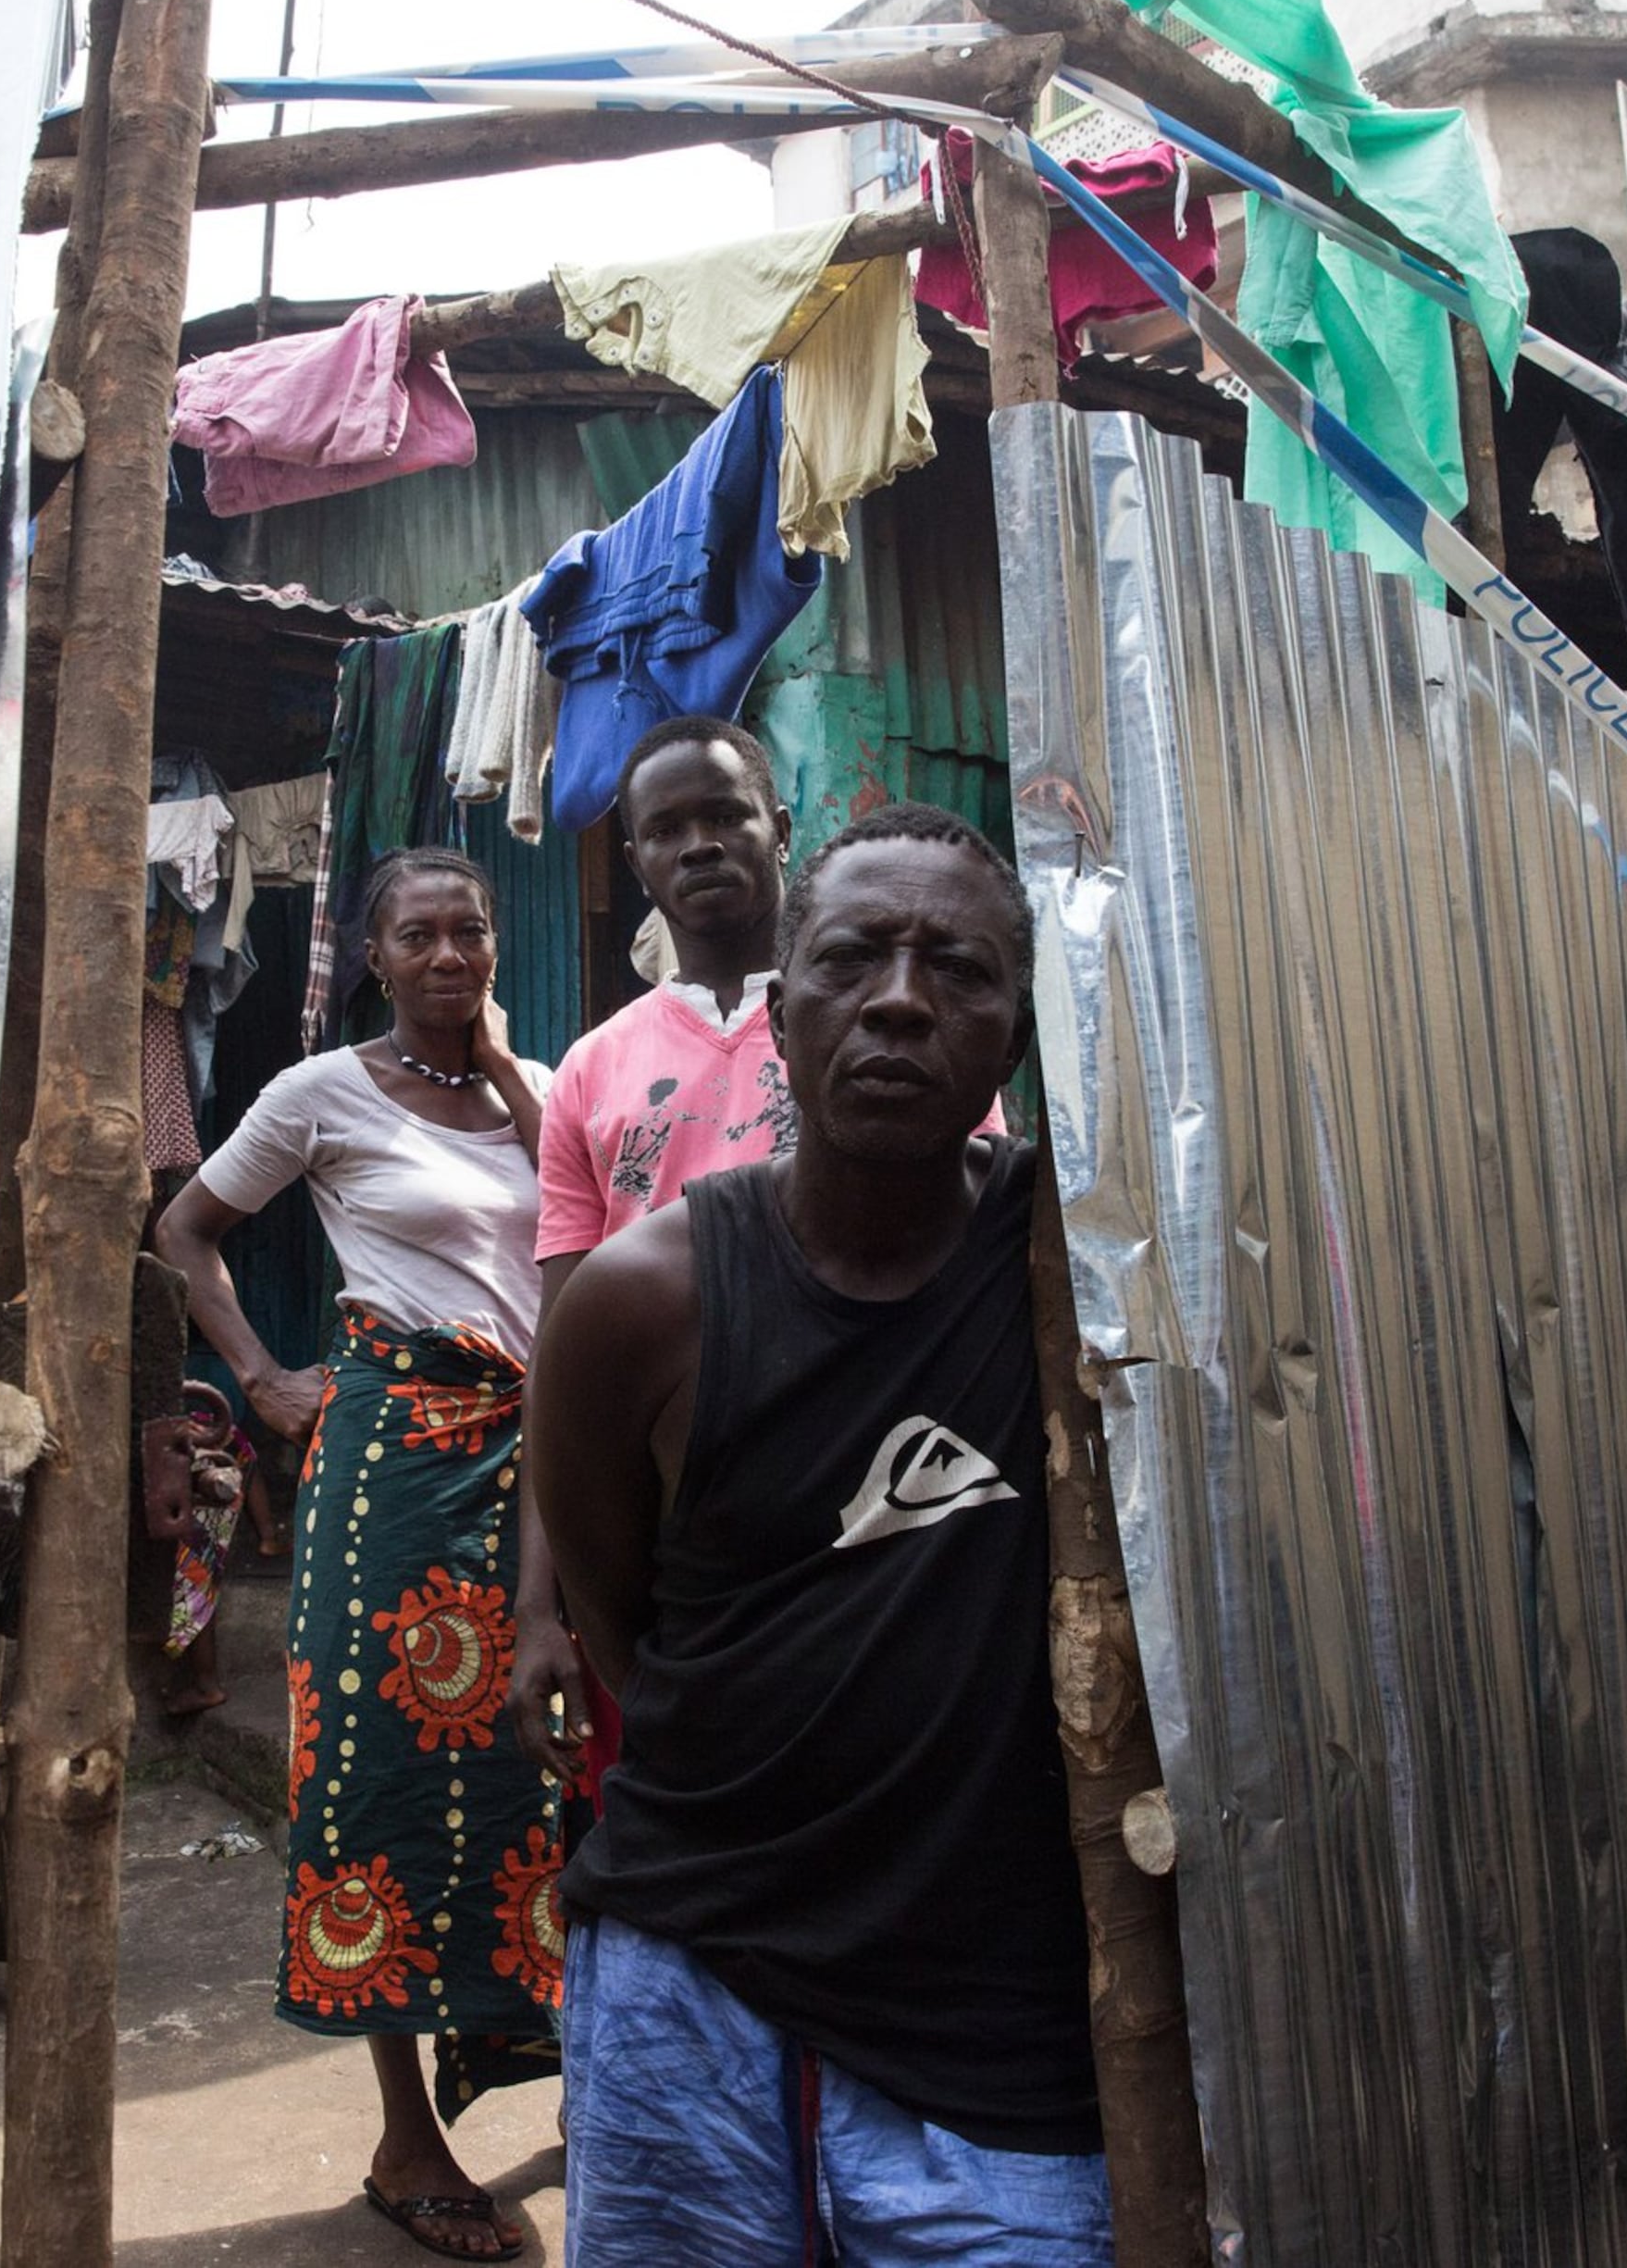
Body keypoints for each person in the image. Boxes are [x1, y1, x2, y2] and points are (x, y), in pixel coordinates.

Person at [526, 804, 1109, 2266]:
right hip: (695, 1965)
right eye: (856, 957)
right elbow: (621, 1619)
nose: (903, 999)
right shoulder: (642, 1301)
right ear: (784, 1015)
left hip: (995, 1992)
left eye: (959, 971)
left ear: (1018, 1037)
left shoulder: (1075, 1272)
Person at [155, 847, 565, 2263]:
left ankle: (546, 2047)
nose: (450, 953)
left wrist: (513, 1072)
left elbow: (587, 1224)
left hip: (544, 1457)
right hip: (393, 1467)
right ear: (374, 954)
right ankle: (406, 2132)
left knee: (549, 1759)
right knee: (380, 1775)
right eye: (420, 934)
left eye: (470, 930)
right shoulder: (318, 1093)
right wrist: (265, 1377)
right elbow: (186, 1227)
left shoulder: (547, 1086)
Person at [513, 718, 1006, 1786]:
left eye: (724, 814)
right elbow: (563, 1363)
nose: (698, 844)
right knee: (680, 1776)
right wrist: (536, 1606)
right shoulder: (593, 1073)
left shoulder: (893, 1027)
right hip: (682, 1502)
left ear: (779, 829)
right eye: (665, 828)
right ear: (634, 858)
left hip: (887, 1479)